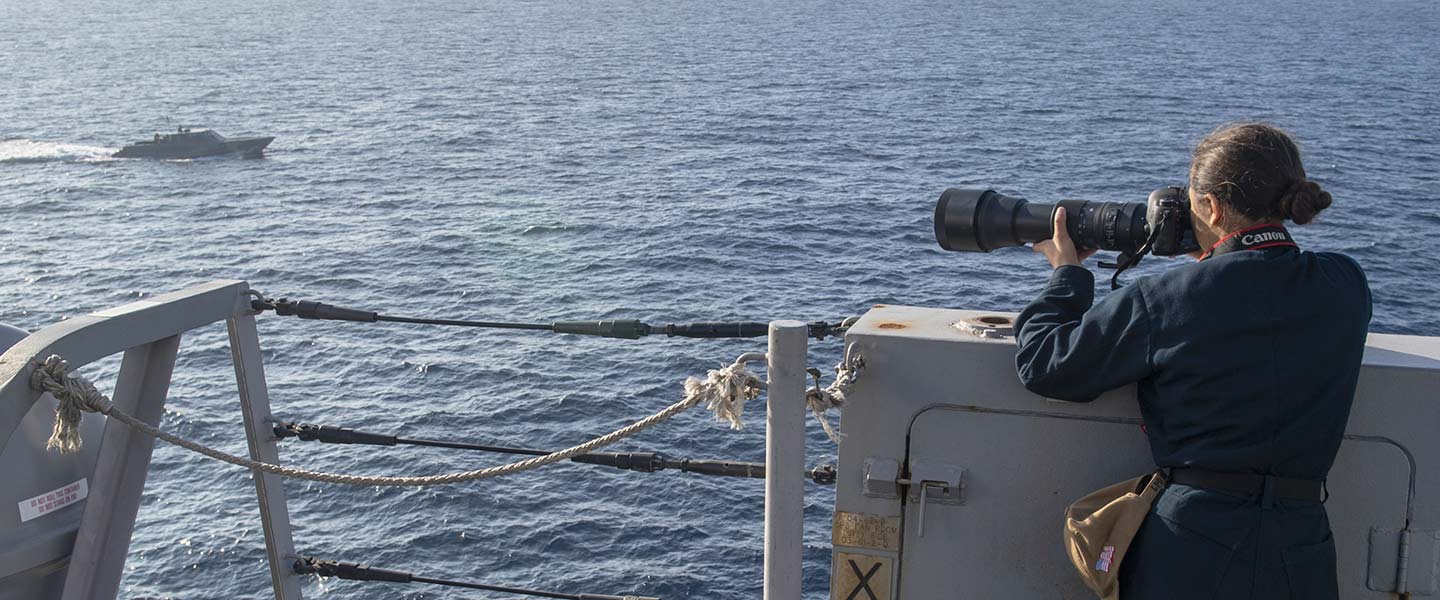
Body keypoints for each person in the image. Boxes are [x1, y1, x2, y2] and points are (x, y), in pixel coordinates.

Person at [1013, 123, 1372, 599]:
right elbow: (1261, 290)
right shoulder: (1346, 285)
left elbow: (1045, 364)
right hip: (1300, 544)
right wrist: (1219, 252)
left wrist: (1067, 275)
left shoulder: (1164, 299)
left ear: (1211, 206)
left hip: (1192, 542)